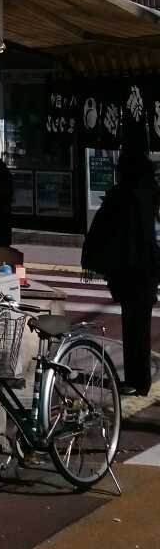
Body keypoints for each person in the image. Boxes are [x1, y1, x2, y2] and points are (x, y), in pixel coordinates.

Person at [105, 140, 160, 402]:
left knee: (131, 324)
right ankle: (142, 380)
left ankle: (134, 379)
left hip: (129, 269)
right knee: (142, 325)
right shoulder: (151, 194)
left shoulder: (122, 196)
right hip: (148, 269)